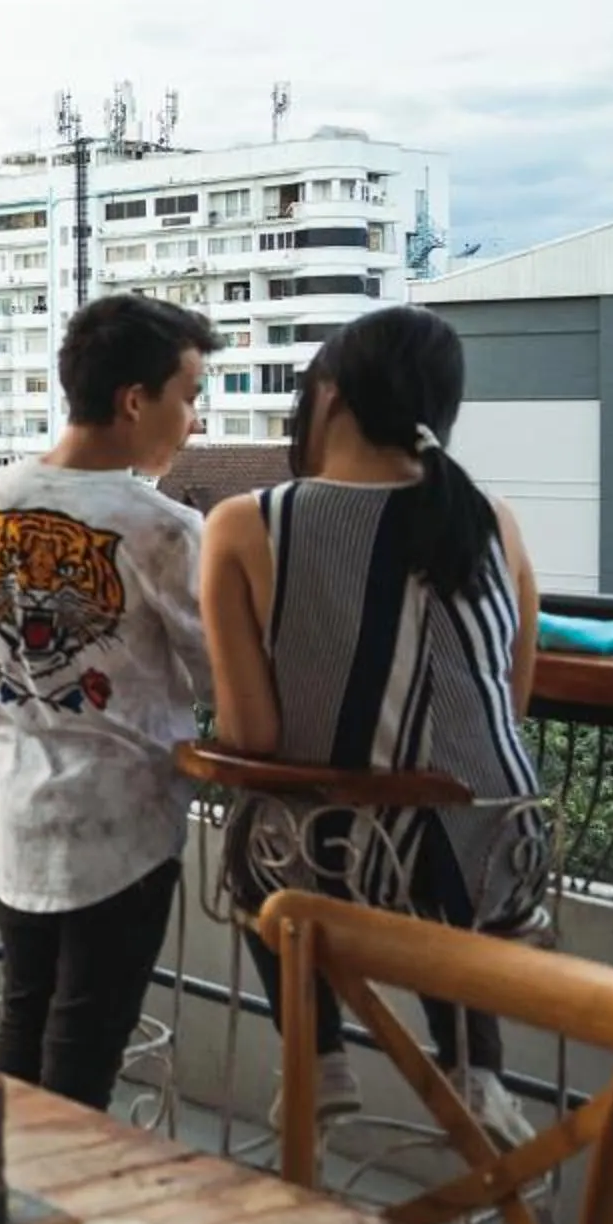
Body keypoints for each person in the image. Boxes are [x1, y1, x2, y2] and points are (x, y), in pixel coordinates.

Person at [201, 304, 548, 1148]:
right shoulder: (492, 519)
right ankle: (477, 1072)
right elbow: (516, 693)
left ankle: (317, 1061)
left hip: (335, 867)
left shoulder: (249, 523)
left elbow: (251, 735)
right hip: (508, 856)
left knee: (258, 839)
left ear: (328, 398)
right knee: (430, 849)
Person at [0, 293, 216, 1114]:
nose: (193, 422)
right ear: (134, 400)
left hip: (24, 810)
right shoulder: (161, 527)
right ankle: (44, 1218)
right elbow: (220, 673)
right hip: (126, 829)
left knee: (22, 1032)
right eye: (188, 397)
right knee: (81, 1064)